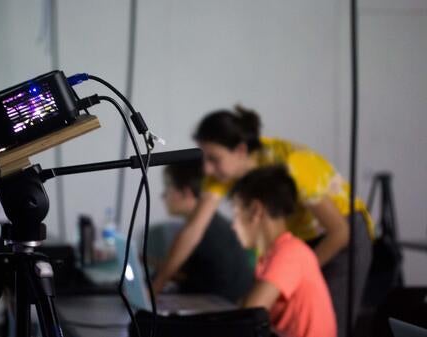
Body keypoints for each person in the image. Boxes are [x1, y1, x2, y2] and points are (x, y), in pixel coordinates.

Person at [152, 105, 372, 337]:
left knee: (333, 323)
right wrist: (157, 284)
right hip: (299, 243)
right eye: (204, 158)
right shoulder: (222, 174)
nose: (207, 168)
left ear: (240, 150)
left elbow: (340, 231)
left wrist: (297, 270)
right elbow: (192, 231)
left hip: (342, 233)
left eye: (214, 159)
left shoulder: (293, 164)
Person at [232, 165, 336, 337]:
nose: (233, 226)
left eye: (236, 213)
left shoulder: (290, 253)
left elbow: (248, 316)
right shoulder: (269, 256)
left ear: (256, 210)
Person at [160, 162, 254, 302]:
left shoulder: (199, 232)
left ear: (187, 193)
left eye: (168, 188)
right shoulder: (216, 224)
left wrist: (154, 285)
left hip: (212, 309)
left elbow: (178, 276)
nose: (163, 195)